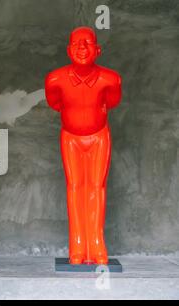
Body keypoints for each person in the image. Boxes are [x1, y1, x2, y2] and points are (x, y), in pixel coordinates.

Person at [45, 26, 122, 265]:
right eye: (77, 43)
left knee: (96, 187)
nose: (81, 48)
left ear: (97, 50)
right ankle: (77, 243)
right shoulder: (55, 79)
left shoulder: (110, 79)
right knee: (75, 187)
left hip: (99, 137)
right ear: (68, 50)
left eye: (87, 43)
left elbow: (111, 102)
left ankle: (96, 242)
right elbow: (56, 103)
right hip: (71, 138)